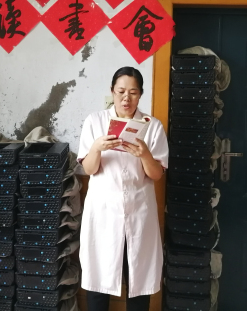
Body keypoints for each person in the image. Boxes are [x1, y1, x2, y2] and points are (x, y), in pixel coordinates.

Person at [77, 66, 168, 311]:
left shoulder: (152, 126)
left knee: (138, 279)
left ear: (141, 94)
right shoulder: (95, 121)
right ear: (112, 91)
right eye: (121, 92)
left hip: (139, 212)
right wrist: (96, 148)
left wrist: (145, 154)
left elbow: (156, 174)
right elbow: (89, 169)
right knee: (99, 278)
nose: (126, 98)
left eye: (133, 92)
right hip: (104, 213)